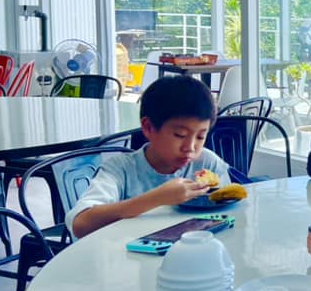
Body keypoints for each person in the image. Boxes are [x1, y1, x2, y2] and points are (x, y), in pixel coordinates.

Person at [67, 76, 231, 239]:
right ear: (148, 127)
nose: (190, 147)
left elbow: (228, 215)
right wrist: (157, 198)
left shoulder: (208, 163)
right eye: (180, 135)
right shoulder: (120, 169)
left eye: (201, 137)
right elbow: (81, 224)